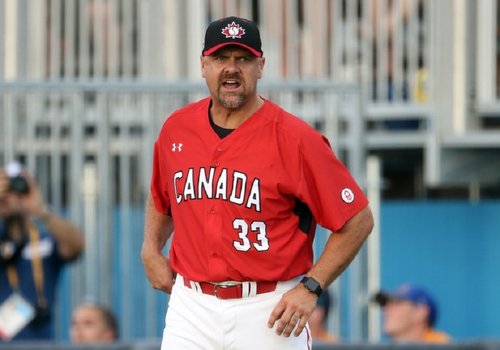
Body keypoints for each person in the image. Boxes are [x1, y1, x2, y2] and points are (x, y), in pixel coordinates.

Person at [141, 16, 374, 350]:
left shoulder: (296, 139)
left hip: (270, 308)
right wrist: (150, 247)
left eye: (243, 59)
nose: (232, 69)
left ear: (260, 66)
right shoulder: (177, 129)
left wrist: (311, 288)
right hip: (191, 305)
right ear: (203, 65)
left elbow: (357, 219)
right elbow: (162, 197)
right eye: (221, 58)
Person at [0, 162, 85, 341]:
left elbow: (76, 246)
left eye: (17, 187)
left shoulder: (45, 239)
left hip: (40, 341)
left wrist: (40, 210)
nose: (10, 196)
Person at [372, 283, 451, 344]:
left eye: (397, 303)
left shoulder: (444, 347)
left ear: (421, 312)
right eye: (386, 305)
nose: (386, 310)